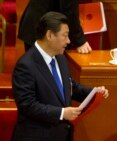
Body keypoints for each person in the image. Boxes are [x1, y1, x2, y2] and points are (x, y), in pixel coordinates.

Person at [12, 12, 109, 141]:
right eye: (65, 35)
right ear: (50, 35)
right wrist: (62, 113)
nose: (69, 41)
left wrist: (94, 92)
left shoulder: (61, 58)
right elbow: (27, 105)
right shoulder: (25, 65)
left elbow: (69, 86)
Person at [18, 0, 92, 53]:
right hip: (41, 29)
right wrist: (80, 42)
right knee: (39, 71)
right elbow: (69, 11)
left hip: (39, 23)